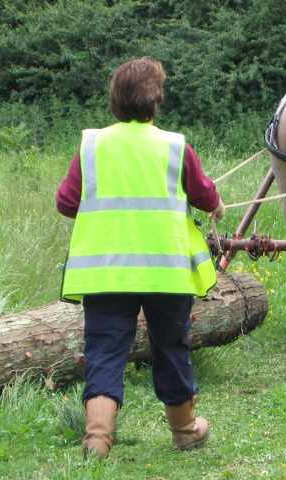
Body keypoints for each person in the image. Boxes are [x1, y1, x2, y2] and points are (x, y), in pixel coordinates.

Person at [56, 57, 225, 458]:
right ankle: (185, 430)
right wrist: (215, 206)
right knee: (171, 347)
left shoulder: (93, 145)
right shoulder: (175, 146)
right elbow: (202, 192)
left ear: (115, 99)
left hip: (106, 273)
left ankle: (97, 440)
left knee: (104, 349)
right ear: (156, 101)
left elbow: (66, 202)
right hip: (166, 273)